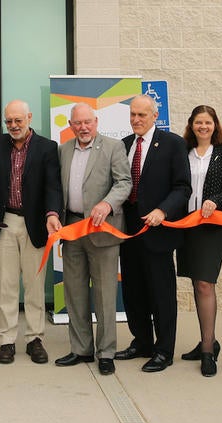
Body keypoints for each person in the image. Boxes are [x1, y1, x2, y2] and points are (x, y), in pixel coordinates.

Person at [0, 100, 62, 365]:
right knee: (7, 284)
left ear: (29, 118)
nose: (13, 125)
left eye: (18, 120)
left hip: (35, 224)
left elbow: (53, 186)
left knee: (34, 286)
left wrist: (52, 214)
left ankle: (35, 339)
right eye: (9, 121)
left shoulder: (47, 147)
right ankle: (6, 340)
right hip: (5, 222)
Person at [113, 94, 191, 373]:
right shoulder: (123, 145)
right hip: (128, 230)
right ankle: (142, 342)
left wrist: (163, 210)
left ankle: (164, 350)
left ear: (155, 116)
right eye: (132, 114)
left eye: (142, 115)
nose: (136, 120)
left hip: (158, 230)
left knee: (161, 293)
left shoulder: (173, 144)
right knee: (133, 291)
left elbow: (183, 187)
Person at [52, 103, 131, 376]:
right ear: (70, 125)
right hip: (72, 229)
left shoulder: (113, 147)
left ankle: (106, 352)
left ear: (96, 122)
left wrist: (107, 204)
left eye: (87, 122)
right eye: (78, 123)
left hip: (102, 231)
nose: (83, 127)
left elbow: (124, 182)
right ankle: (81, 349)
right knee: (74, 293)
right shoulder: (63, 150)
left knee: (105, 295)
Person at [175, 105, 222, 377]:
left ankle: (207, 351)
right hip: (186, 226)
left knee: (205, 283)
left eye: (208, 122)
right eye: (199, 122)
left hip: (212, 227)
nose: (203, 126)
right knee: (195, 282)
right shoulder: (183, 153)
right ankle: (207, 338)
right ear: (191, 125)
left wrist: (215, 200)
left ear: (215, 125)